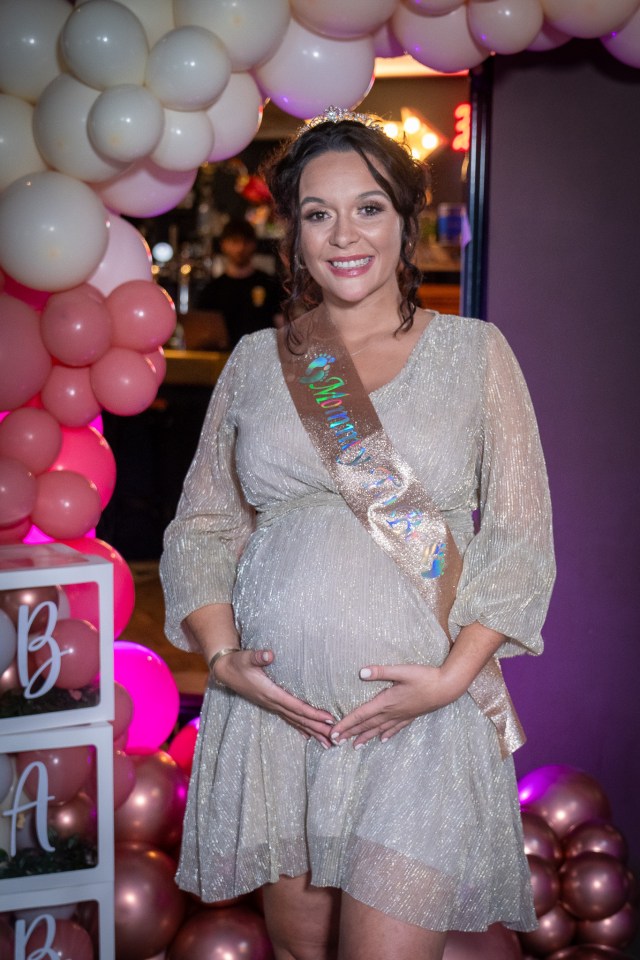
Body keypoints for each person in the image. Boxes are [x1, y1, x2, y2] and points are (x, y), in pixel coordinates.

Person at [160, 107, 556, 960]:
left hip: (417, 722)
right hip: (279, 726)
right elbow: (200, 526)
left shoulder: (476, 353)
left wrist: (452, 680)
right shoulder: (260, 365)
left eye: (368, 207)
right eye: (317, 211)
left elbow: (521, 536)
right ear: (293, 233)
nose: (344, 234)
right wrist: (224, 659)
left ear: (406, 221)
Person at [194, 218, 283, 350]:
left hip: (261, 360)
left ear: (254, 245)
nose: (240, 248)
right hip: (222, 362)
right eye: (234, 242)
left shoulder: (270, 284)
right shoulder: (212, 290)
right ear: (224, 245)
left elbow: (282, 328)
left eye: (246, 242)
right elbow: (201, 333)